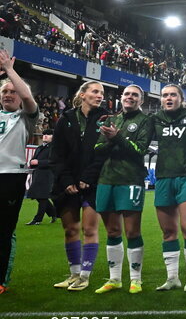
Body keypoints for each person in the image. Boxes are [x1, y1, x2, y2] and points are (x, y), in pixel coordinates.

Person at [93, 85, 152, 294]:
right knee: (112, 231)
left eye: (135, 95)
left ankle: (136, 280)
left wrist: (117, 138)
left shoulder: (145, 121)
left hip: (131, 180)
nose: (130, 97)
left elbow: (140, 151)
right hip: (106, 180)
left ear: (141, 100)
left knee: (132, 231)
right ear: (121, 97)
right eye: (127, 94)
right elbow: (97, 149)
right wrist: (111, 141)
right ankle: (114, 279)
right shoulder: (111, 119)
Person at [51, 80, 109, 291]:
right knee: (70, 229)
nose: (100, 95)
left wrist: (89, 176)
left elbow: (104, 152)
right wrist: (66, 180)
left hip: (93, 183)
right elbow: (56, 154)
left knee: (89, 228)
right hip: (67, 184)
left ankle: (85, 276)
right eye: (95, 91)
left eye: (102, 93)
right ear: (82, 94)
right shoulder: (65, 118)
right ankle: (74, 274)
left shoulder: (107, 119)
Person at [151, 84, 186, 291]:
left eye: (173, 95)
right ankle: (172, 278)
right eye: (165, 95)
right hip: (164, 178)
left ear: (181, 98)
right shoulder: (155, 119)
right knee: (168, 231)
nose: (169, 98)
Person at [0, 50, 38, 293]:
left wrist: (10, 72)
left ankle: (1, 280)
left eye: (13, 91)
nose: (9, 94)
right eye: (4, 91)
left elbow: (27, 96)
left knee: (4, 230)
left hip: (11, 176)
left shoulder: (25, 116)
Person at [26, 132, 57, 226]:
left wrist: (39, 162)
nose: (45, 136)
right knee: (38, 196)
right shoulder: (39, 148)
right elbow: (34, 159)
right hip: (38, 174)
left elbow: (53, 161)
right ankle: (53, 213)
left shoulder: (54, 148)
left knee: (42, 197)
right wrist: (32, 162)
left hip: (47, 175)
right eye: (44, 134)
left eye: (48, 134)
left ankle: (38, 219)